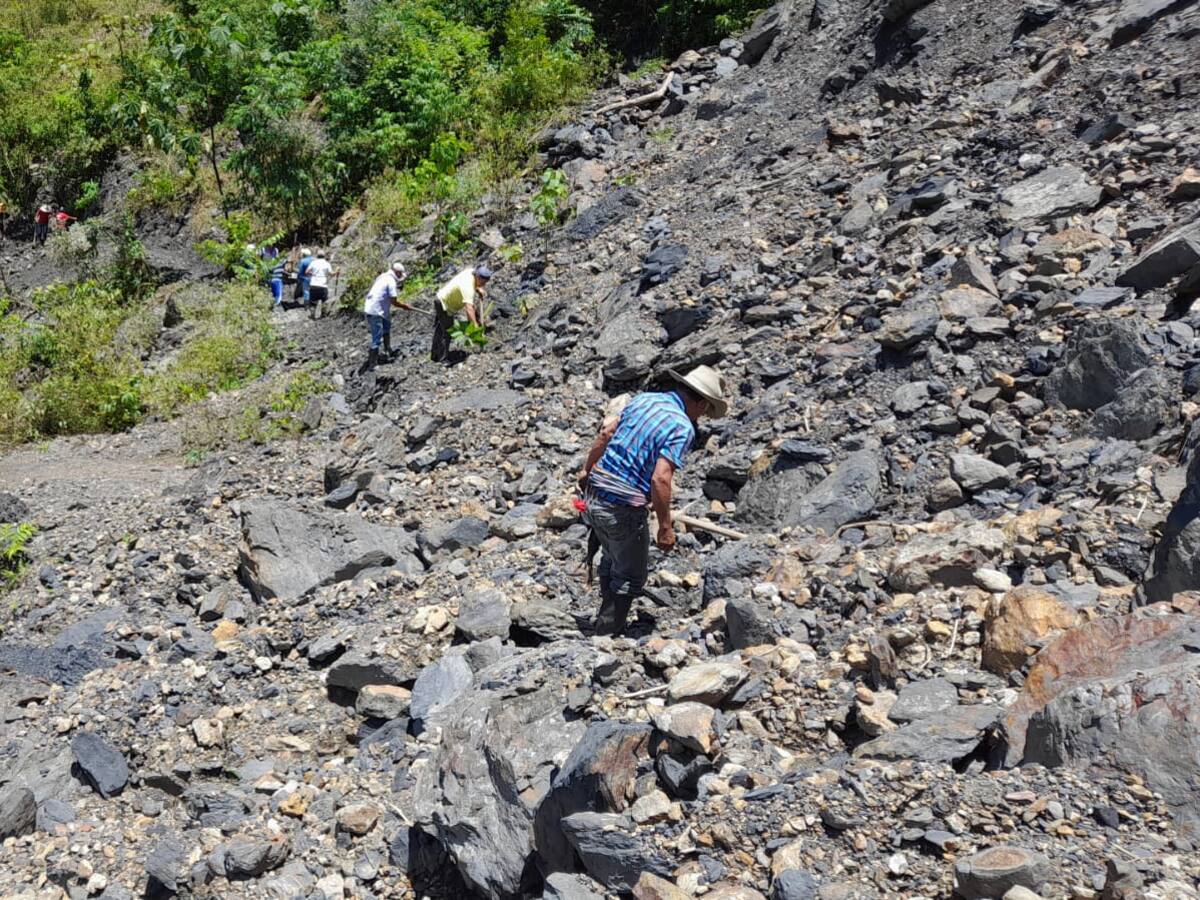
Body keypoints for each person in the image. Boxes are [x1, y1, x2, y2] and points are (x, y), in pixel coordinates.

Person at [577, 366, 729, 636]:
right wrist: (665, 526)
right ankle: (606, 634)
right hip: (622, 506)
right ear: (702, 402)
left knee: (612, 555)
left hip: (595, 493)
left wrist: (587, 471)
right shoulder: (682, 427)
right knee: (630, 573)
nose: (701, 418)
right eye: (704, 412)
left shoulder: (645, 399)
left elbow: (605, 434)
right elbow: (660, 478)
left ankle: (604, 617)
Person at [432, 264, 491, 363]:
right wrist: (475, 326)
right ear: (478, 277)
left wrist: (477, 288)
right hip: (444, 304)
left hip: (443, 299)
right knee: (447, 331)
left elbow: (473, 284)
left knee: (440, 329)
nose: (483, 285)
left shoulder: (471, 271)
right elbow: (469, 309)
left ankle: (435, 356)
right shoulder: (467, 287)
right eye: (483, 283)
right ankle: (442, 359)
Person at [362, 261, 412, 371]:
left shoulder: (382, 277)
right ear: (397, 273)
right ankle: (372, 364)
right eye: (400, 274)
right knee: (377, 337)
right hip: (375, 310)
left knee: (386, 328)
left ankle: (388, 350)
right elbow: (394, 301)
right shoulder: (390, 281)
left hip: (377, 308)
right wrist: (404, 306)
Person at [306, 250, 335, 320]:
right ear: (324, 256)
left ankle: (312, 315)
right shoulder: (327, 263)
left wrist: (312, 274)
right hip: (323, 285)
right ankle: (323, 315)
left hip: (313, 284)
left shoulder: (313, 263)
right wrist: (336, 271)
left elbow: (306, 272)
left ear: (317, 256)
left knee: (312, 301)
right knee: (324, 301)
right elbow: (332, 274)